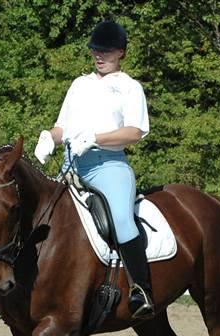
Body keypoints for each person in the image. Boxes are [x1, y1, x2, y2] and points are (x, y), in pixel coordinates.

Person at [34, 19, 154, 320]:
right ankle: (13, 290)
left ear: (121, 53)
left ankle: (142, 290)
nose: (99, 55)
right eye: (95, 50)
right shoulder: (80, 85)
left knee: (123, 220)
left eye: (107, 51)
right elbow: (64, 127)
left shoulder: (129, 87)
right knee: (35, 215)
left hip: (108, 166)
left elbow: (135, 132)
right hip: (71, 165)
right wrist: (50, 136)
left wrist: (97, 139)